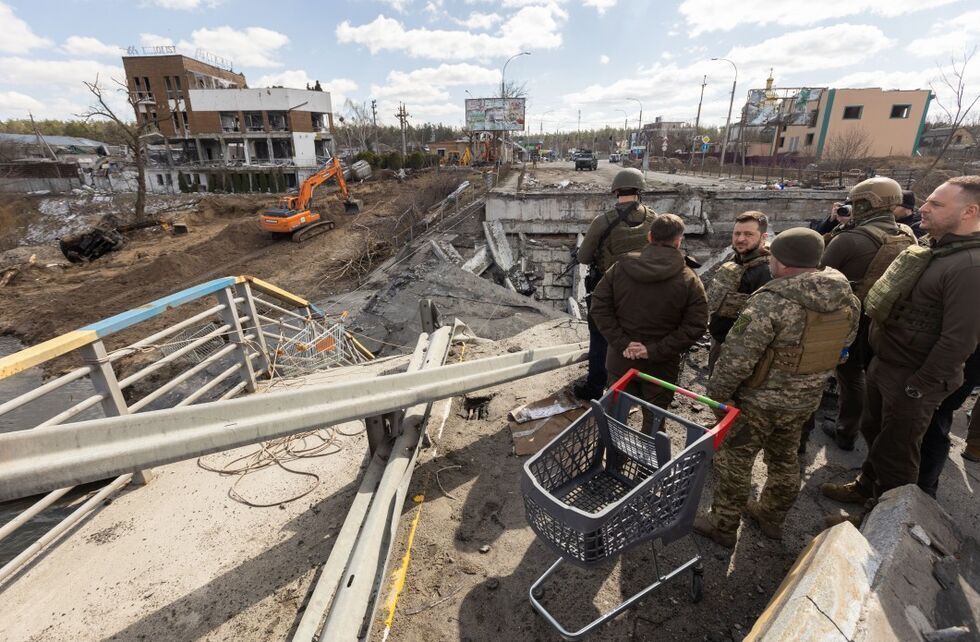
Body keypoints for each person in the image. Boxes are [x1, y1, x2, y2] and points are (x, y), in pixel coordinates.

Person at [821, 176, 980, 513]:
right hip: (887, 363)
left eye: (937, 204)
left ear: (970, 212)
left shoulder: (970, 266)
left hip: (911, 378)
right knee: (875, 434)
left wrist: (918, 388)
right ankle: (866, 487)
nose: (923, 207)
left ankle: (878, 522)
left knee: (896, 455)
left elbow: (959, 341)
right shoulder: (937, 247)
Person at [694, 228, 860, 547]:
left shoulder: (772, 300)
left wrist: (717, 395)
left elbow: (737, 357)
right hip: (806, 397)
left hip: (758, 400)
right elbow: (844, 344)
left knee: (734, 460)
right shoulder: (846, 297)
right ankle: (771, 518)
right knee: (785, 459)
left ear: (781, 261)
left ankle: (723, 525)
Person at [820, 177, 918, 451]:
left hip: (850, 319)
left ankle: (846, 430)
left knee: (850, 375)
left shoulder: (849, 240)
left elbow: (817, 277)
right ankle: (864, 430)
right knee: (871, 374)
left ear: (866, 204)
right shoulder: (906, 234)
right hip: (887, 320)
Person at [589, 213, 707, 434]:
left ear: (649, 236)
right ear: (678, 241)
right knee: (654, 422)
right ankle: (648, 466)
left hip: (620, 360)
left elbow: (599, 306)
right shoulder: (689, 278)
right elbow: (696, 324)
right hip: (661, 365)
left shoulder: (620, 268)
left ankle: (615, 459)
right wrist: (652, 350)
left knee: (615, 417)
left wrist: (623, 343)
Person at [573, 168, 657, 401]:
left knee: (600, 338)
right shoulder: (655, 220)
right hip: (642, 290)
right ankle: (627, 387)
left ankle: (594, 387)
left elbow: (583, 258)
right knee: (633, 337)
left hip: (607, 290)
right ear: (640, 191)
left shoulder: (604, 221)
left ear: (616, 191)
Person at [706, 211, 772, 373]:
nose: (741, 239)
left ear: (763, 237)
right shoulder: (737, 259)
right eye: (737, 233)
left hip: (739, 350)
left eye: (748, 234)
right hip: (720, 339)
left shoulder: (764, 271)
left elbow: (757, 317)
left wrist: (735, 340)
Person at [917, 347, 980, 496]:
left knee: (936, 426)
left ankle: (924, 488)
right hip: (954, 365)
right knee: (933, 424)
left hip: (958, 368)